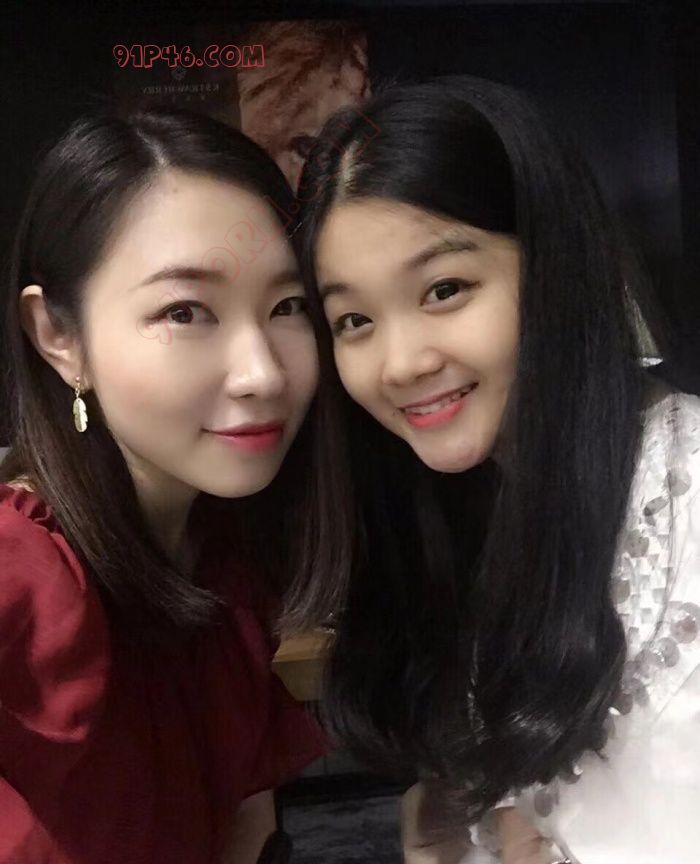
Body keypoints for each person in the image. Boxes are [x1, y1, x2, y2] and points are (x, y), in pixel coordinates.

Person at [292, 76, 700, 862]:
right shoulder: (454, 502)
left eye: (444, 289)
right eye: (355, 320)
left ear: (555, 267)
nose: (400, 363)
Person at [0, 107, 333, 864]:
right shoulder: (21, 580)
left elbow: (244, 826)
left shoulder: (222, 558)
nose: (263, 373)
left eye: (288, 307)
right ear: (58, 336)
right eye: (184, 311)